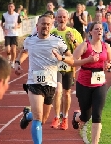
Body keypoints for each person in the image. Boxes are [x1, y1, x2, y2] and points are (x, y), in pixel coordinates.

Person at [14, 14, 74, 144]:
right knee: (38, 116)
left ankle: (27, 115)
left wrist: (61, 58)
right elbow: (24, 51)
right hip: (34, 83)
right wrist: (17, 62)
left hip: (51, 84)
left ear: (51, 26)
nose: (45, 26)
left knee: (43, 119)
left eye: (48, 24)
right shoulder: (30, 40)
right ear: (37, 26)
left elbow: (71, 59)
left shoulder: (57, 41)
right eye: (43, 24)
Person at [53, 21, 111, 144]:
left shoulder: (106, 46)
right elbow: (73, 61)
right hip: (84, 84)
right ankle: (77, 116)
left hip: (100, 84)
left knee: (97, 115)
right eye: (96, 29)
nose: (99, 31)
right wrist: (88, 60)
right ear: (90, 32)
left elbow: (110, 61)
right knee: (85, 117)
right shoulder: (85, 46)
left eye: (101, 29)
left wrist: (108, 65)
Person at [50, 8, 83, 130]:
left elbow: (82, 50)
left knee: (66, 93)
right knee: (57, 91)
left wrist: (73, 41)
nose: (62, 19)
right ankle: (56, 117)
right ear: (56, 18)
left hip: (69, 68)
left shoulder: (74, 32)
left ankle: (65, 118)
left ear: (68, 19)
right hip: (55, 67)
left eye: (64, 17)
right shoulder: (52, 32)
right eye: (59, 17)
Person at [1, 2, 21, 68]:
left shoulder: (17, 15)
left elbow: (19, 24)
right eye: (9, 6)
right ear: (8, 7)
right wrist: (4, 29)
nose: (10, 8)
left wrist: (16, 27)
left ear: (14, 7)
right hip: (7, 34)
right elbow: (2, 24)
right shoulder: (4, 15)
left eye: (11, 6)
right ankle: (9, 57)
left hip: (14, 34)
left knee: (13, 49)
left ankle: (12, 61)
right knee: (8, 49)